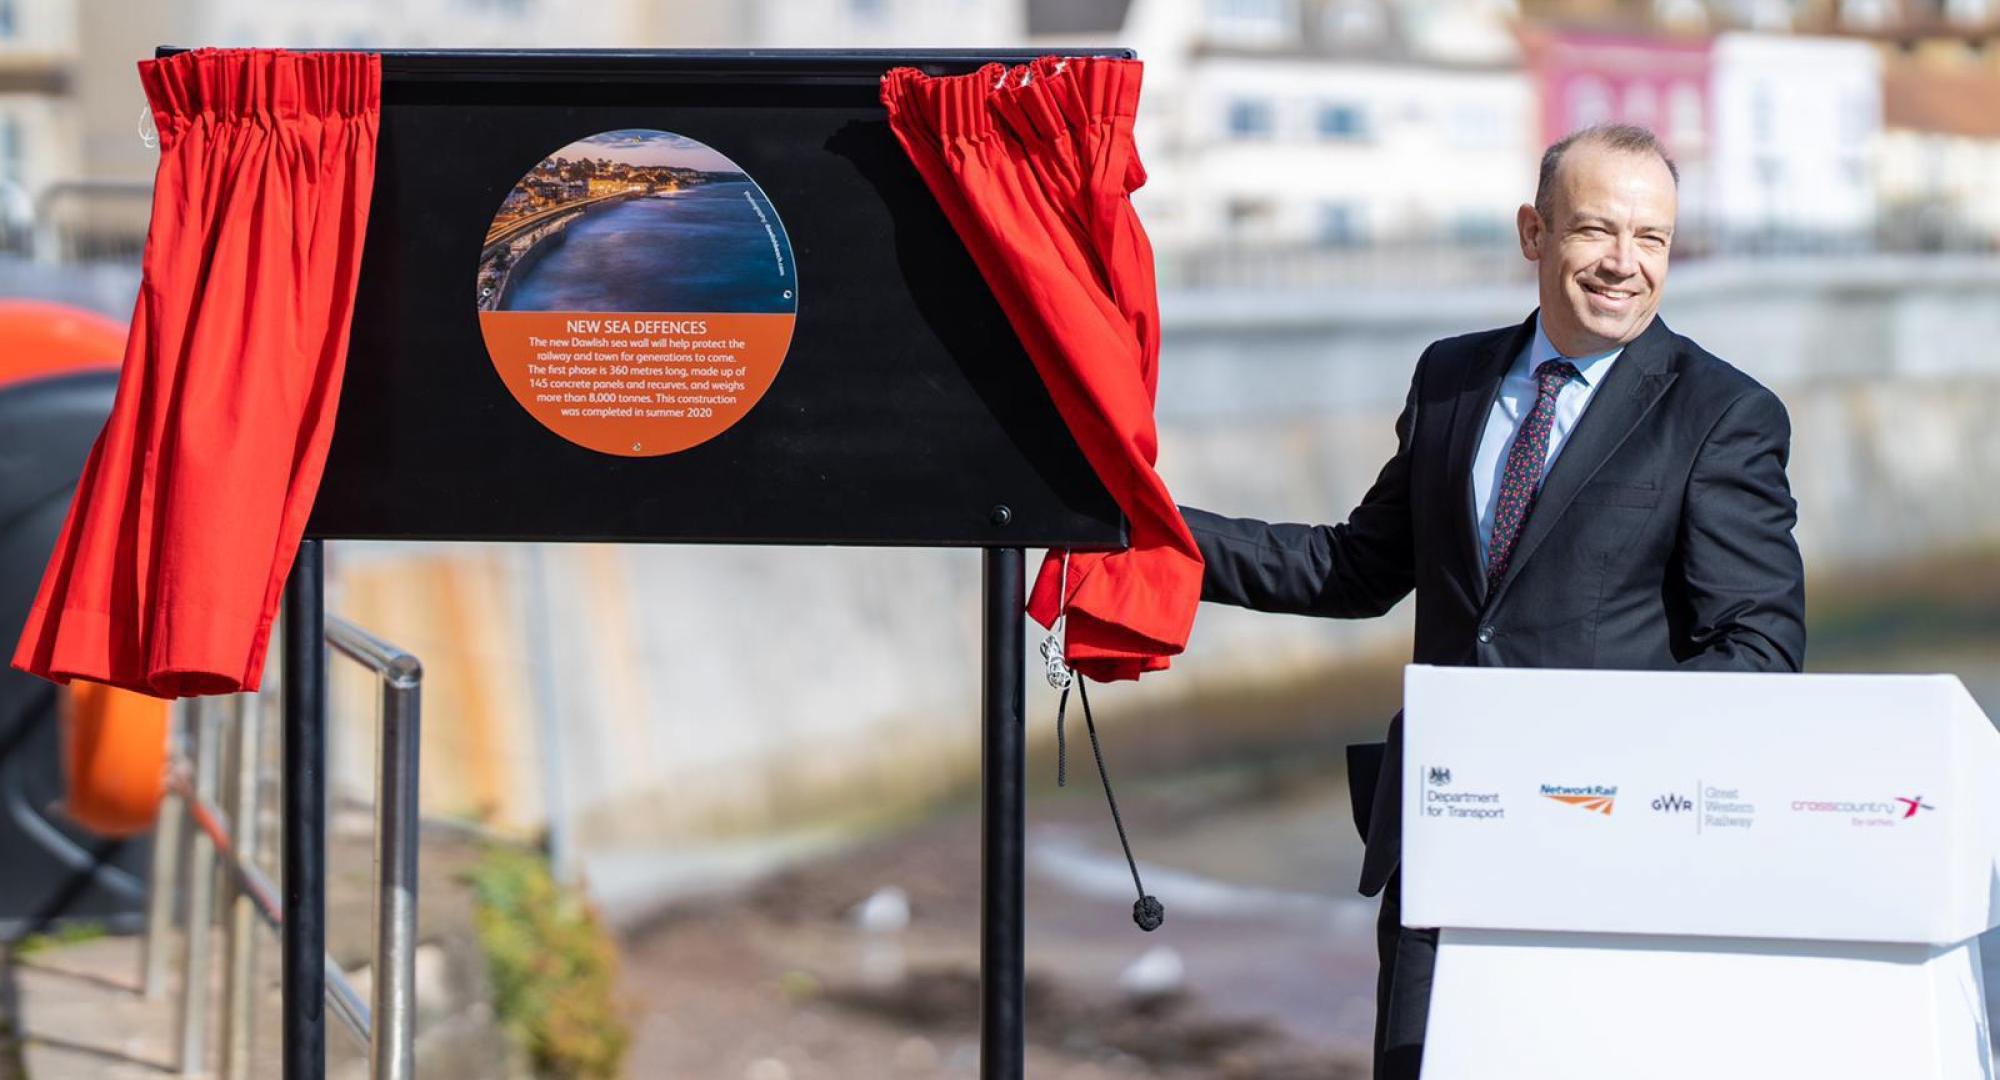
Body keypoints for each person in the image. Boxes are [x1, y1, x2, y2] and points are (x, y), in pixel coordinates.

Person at [1178, 123, 1806, 1078]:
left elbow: (1759, 652)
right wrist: (1145, 529)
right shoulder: (1450, 379)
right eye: (1597, 230)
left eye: (1654, 239)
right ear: (1533, 233)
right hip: (1439, 842)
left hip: (1607, 856)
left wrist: (1588, 761)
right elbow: (1353, 569)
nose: (1626, 265)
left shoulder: (1722, 414)